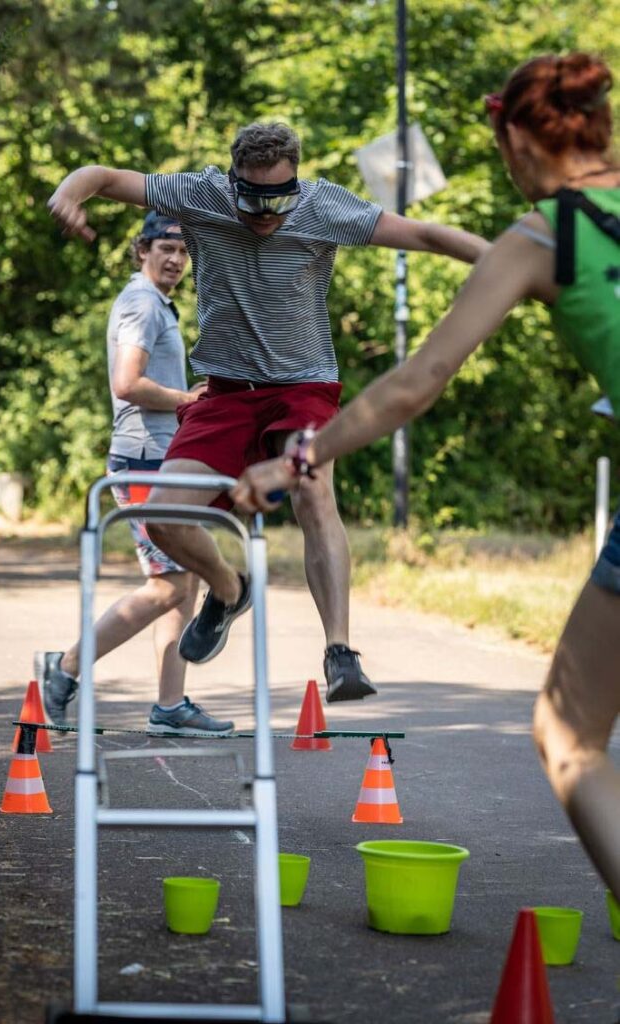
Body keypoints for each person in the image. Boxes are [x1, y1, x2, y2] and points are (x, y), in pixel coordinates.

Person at [232, 54, 620, 899]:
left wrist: (298, 458)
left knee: (571, 739)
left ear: (521, 140)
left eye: (503, 150)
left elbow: (415, 384)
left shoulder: (545, 236)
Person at [47, 122, 490, 705]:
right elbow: (105, 177)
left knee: (312, 489)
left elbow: (425, 234)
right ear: (233, 182)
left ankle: (340, 652)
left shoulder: (324, 206)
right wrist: (70, 192)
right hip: (226, 395)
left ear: (296, 183)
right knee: (162, 517)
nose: (264, 215)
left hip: (303, 389)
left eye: (278, 201)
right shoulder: (200, 195)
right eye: (251, 200)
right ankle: (230, 590)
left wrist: (505, 262)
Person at [41, 211, 235, 737]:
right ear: (142, 250)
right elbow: (127, 382)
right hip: (142, 458)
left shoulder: (157, 304)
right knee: (169, 585)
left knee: (182, 583)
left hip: (162, 455)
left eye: (183, 252)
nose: (175, 259)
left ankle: (170, 705)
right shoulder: (141, 304)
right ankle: (65, 669)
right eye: (165, 249)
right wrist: (187, 400)